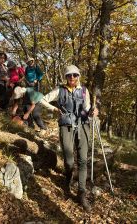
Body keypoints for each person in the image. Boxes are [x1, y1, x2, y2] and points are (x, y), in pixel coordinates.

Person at [41, 65, 98, 212]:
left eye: (74, 75)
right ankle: (68, 178)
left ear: (78, 76)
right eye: (69, 75)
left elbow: (87, 108)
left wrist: (92, 111)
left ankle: (81, 192)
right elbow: (42, 99)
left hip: (83, 125)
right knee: (68, 159)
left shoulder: (84, 91)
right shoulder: (59, 90)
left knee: (83, 159)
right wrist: (54, 109)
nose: (72, 78)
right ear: (65, 77)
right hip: (66, 125)